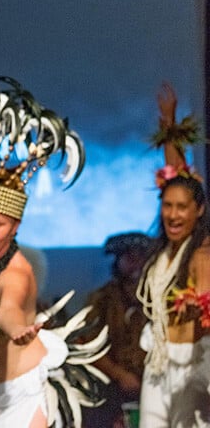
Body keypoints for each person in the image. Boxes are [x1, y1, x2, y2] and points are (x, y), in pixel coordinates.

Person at [0, 71, 106, 427]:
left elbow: (7, 308)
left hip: (21, 395)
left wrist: (14, 329)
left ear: (16, 226)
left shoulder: (16, 272)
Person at [135, 82, 210, 427]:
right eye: (167, 206)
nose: (174, 214)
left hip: (190, 367)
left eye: (182, 207)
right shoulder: (168, 250)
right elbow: (177, 176)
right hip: (159, 363)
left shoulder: (201, 252)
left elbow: (205, 292)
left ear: (199, 211)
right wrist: (169, 124)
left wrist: (200, 304)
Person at [82, 232, 151, 428]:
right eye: (129, 256)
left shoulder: (158, 297)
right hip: (112, 385)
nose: (135, 262)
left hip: (153, 382)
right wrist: (119, 374)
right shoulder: (102, 299)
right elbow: (87, 345)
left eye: (140, 256)